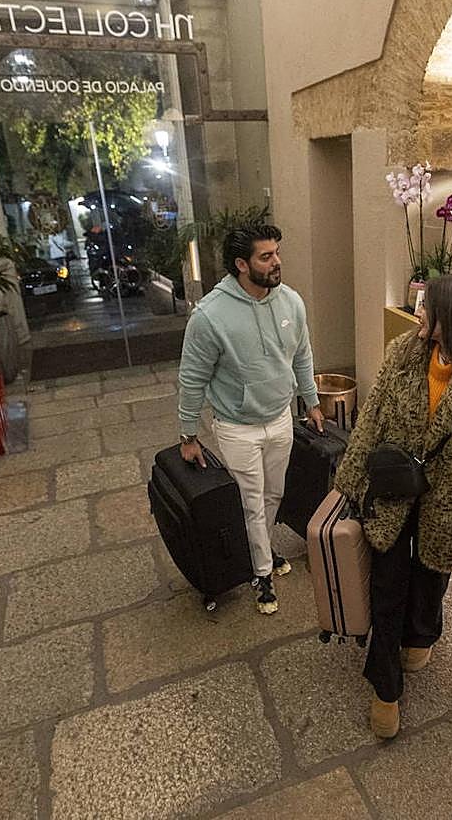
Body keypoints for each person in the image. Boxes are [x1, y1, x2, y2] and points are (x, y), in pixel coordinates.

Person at [334, 273, 452, 739]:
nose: (418, 313)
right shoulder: (405, 352)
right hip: (393, 487)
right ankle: (385, 687)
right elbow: (372, 418)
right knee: (388, 587)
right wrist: (350, 479)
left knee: (431, 577)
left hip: (449, 500)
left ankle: (421, 633)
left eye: (426, 307)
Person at [177, 224, 326, 615]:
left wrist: (311, 401)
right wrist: (188, 435)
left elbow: (302, 354)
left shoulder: (290, 301)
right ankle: (261, 573)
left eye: (277, 252)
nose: (277, 262)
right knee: (251, 504)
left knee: (273, 495)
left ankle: (260, 547)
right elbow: (192, 378)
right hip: (236, 426)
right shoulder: (210, 316)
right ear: (241, 264)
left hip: (280, 418)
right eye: (266, 256)